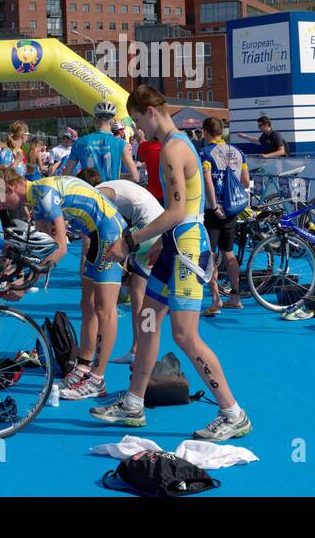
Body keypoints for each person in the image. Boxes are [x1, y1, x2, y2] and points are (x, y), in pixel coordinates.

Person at [91, 84, 252, 441]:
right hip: (175, 247)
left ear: (150, 111)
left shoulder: (172, 149)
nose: (137, 130)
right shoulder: (176, 145)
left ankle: (232, 412)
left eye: (136, 121)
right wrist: (161, 244)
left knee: (184, 335)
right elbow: (184, 208)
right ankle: (133, 401)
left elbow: (179, 211)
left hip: (188, 251)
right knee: (148, 322)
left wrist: (131, 240)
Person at [0, 167, 129, 401]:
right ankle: (83, 367)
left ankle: (98, 379)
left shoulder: (43, 193)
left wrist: (26, 284)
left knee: (104, 308)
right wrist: (19, 277)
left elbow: (60, 247)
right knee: (87, 304)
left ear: (10, 188)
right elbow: (41, 249)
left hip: (110, 232)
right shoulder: (36, 198)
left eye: (2, 202)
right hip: (97, 232)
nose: (3, 208)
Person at [83, 169, 165, 367]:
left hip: (149, 228)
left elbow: (100, 237)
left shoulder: (96, 195)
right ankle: (139, 349)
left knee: (135, 294)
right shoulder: (109, 186)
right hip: (157, 227)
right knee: (141, 294)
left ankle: (140, 350)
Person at [199, 116, 249, 316]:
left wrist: (213, 205)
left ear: (205, 132)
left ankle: (216, 299)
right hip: (232, 208)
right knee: (229, 252)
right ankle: (235, 297)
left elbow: (207, 180)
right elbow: (245, 181)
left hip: (214, 210)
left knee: (210, 255)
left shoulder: (205, 153)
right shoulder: (239, 152)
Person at [63, 100, 139, 183]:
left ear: (94, 120)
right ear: (113, 121)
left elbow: (67, 174)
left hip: (90, 191)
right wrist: (116, 176)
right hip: (111, 192)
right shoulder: (121, 143)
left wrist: (85, 179)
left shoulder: (79, 143)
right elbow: (135, 177)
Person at [136, 127, 162, 202]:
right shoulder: (169, 146)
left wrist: (140, 135)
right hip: (169, 193)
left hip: (154, 194)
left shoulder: (146, 147)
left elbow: (140, 141)